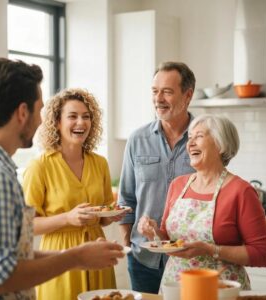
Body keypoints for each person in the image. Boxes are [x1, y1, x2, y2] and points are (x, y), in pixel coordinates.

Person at [0, 57, 124, 299]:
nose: (40, 120)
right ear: (22, 112)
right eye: (39, 110)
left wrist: (77, 257)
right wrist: (75, 257)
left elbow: (12, 256)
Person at [138, 114, 266, 290]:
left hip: (221, 290)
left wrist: (210, 250)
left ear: (220, 144)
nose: (190, 143)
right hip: (176, 287)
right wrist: (154, 232)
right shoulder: (178, 185)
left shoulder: (241, 191)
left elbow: (262, 254)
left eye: (199, 136)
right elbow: (168, 239)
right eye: (190, 138)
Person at [22, 87, 128, 300]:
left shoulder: (100, 163)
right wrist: (67, 218)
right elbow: (27, 225)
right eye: (72, 116)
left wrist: (111, 217)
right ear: (57, 122)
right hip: (59, 258)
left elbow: (103, 216)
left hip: (98, 253)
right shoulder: (39, 166)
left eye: (86, 117)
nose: (81, 123)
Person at [117, 61, 196, 293]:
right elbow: (126, 198)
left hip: (189, 257)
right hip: (144, 258)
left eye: (167, 92)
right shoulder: (137, 139)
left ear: (188, 95)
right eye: (155, 91)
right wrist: (127, 244)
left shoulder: (204, 138)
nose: (158, 99)